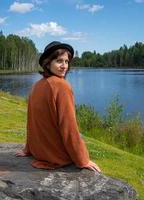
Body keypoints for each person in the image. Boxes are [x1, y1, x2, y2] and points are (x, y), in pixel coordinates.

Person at [14, 41, 101, 172]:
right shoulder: (62, 86)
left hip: (39, 152)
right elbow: (68, 126)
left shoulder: (37, 86)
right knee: (76, 134)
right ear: (48, 63)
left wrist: (28, 149)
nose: (64, 66)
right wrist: (82, 160)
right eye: (59, 61)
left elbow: (31, 122)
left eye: (66, 61)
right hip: (55, 156)